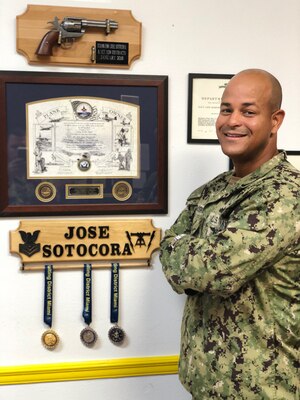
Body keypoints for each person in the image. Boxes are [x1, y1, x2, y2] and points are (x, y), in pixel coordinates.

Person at [160, 69, 300, 399]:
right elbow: (168, 250)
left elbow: (214, 271)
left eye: (248, 111)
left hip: (264, 390)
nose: (232, 121)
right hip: (206, 385)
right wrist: (178, 250)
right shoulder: (210, 192)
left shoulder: (284, 197)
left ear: (275, 120)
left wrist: (182, 250)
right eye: (226, 109)